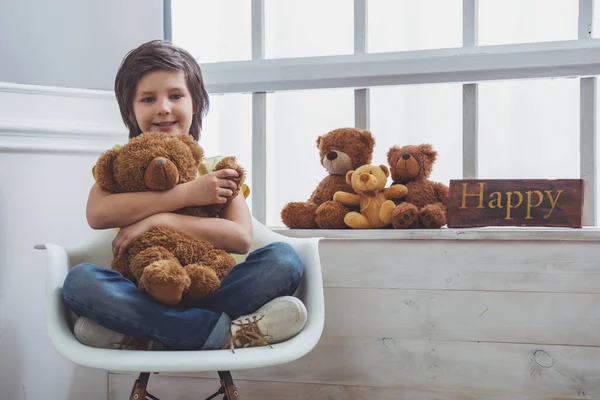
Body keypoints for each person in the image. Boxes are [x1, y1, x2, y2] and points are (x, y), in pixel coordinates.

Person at [62, 39, 307, 352]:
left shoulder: (215, 168)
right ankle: (222, 334)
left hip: (211, 285)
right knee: (80, 281)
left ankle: (152, 335)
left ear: (196, 103)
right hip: (146, 288)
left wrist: (159, 221)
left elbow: (240, 238)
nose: (163, 107)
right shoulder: (122, 165)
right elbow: (98, 215)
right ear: (130, 109)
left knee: (283, 260)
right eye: (148, 99)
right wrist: (188, 193)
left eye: (175, 95)